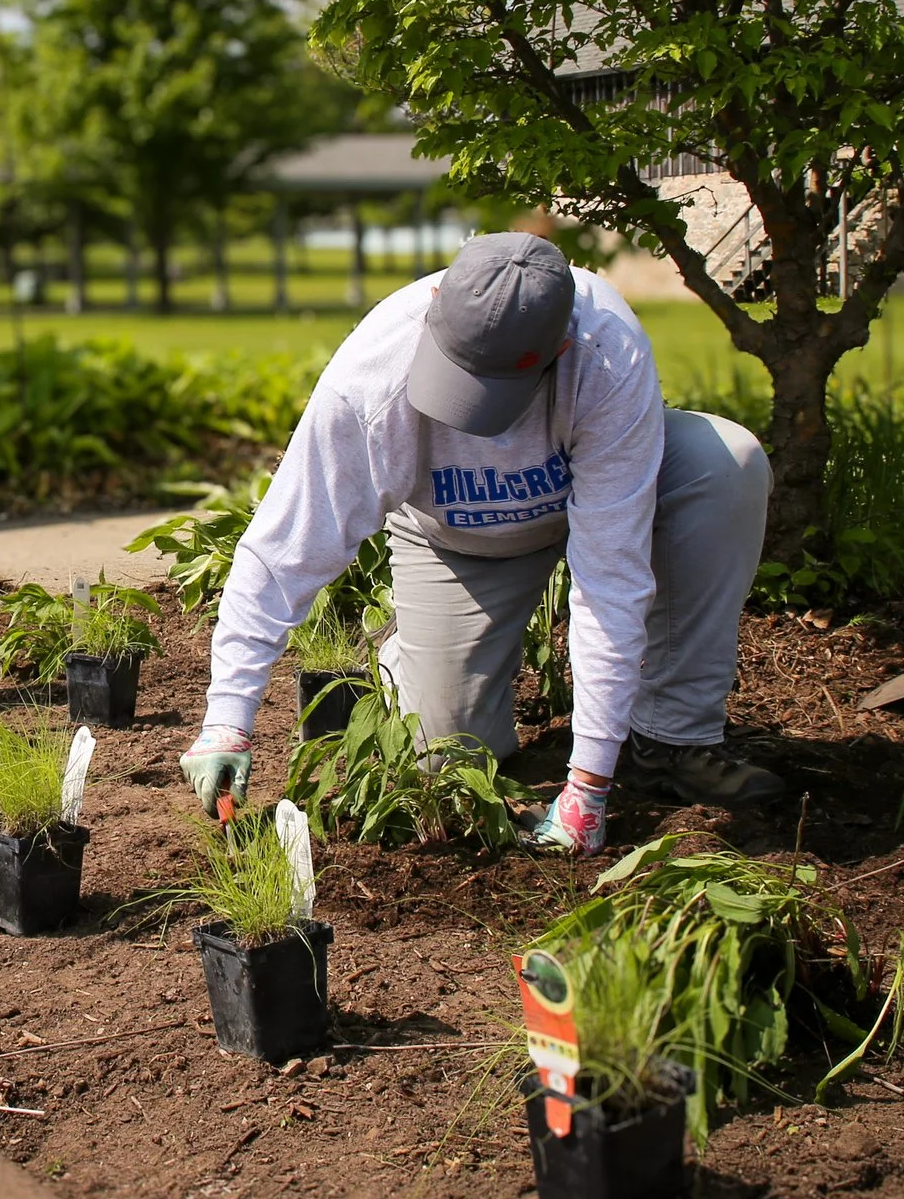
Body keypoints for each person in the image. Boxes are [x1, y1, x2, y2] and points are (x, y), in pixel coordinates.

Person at [178, 232, 785, 855]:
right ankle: (409, 664)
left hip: (590, 498)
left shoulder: (606, 353)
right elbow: (283, 552)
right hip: (457, 539)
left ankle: (670, 740)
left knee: (724, 463)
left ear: (562, 346)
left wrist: (589, 788)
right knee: (451, 758)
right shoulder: (371, 378)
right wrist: (227, 720)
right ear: (436, 298)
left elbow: (611, 582)